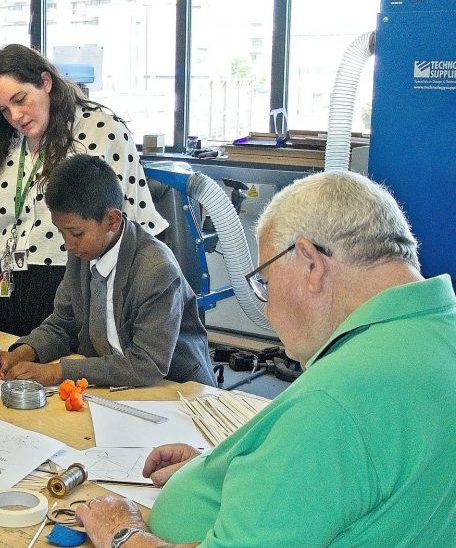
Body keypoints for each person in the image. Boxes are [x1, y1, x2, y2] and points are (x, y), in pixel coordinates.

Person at [75, 171, 456, 547]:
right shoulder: (434, 335)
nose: (268, 310)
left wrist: (122, 533)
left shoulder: (334, 402)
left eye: (266, 283)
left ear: (311, 264)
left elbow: (337, 435)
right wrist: (227, 468)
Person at [0, 44, 167, 337]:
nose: (16, 116)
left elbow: (132, 226)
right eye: (4, 109)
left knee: (57, 378)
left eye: (21, 99)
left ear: (46, 82)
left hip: (68, 282)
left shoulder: (100, 130)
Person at [0, 155, 213, 387]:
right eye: (61, 232)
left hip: (175, 389)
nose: (68, 244)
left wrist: (57, 372)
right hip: (114, 384)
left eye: (75, 233)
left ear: (112, 220)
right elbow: (63, 324)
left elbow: (146, 365)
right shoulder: (84, 252)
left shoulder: (156, 270)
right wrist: (20, 354)